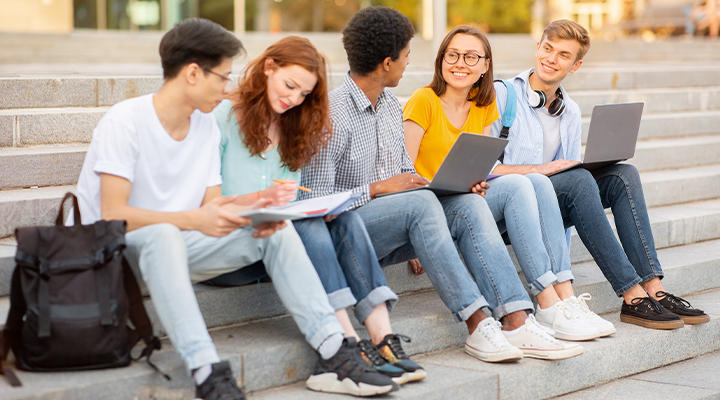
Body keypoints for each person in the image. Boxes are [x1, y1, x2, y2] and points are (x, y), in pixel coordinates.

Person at [73, 18, 396, 400]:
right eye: (222, 77)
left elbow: (214, 206)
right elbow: (112, 215)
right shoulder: (126, 120)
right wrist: (195, 219)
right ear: (193, 73)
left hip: (181, 246)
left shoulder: (204, 128)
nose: (229, 88)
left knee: (277, 232)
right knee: (162, 235)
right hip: (113, 252)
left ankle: (333, 352)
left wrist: (257, 211)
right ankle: (206, 369)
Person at [301, 6, 584, 363]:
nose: (408, 64)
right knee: (422, 205)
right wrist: (376, 190)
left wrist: (455, 186)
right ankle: (477, 321)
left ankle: (516, 319)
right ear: (387, 62)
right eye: (405, 56)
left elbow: (407, 175)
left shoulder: (389, 105)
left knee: (467, 203)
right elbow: (312, 202)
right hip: (348, 230)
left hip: (398, 219)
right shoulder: (329, 114)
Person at [214, 35, 426, 388]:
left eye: (303, 94)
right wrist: (261, 198)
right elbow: (206, 203)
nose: (293, 99)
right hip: (233, 244)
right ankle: (345, 346)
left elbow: (291, 196)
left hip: (278, 244)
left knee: (342, 216)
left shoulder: (290, 126)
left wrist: (311, 205)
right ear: (268, 68)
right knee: (310, 227)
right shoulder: (222, 118)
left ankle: (382, 339)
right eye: (289, 85)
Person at [491, 19, 709, 330]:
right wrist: (539, 170)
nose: (551, 59)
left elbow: (566, 182)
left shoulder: (570, 111)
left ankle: (654, 288)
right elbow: (483, 169)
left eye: (563, 55)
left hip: (548, 205)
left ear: (575, 66)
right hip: (512, 207)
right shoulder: (502, 95)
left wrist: (557, 251)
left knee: (624, 175)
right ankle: (631, 295)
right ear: (538, 47)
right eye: (548, 48)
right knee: (578, 179)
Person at [403, 25, 614, 341]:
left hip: (467, 197)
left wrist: (484, 180)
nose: (461, 63)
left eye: (471, 57)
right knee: (522, 182)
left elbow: (483, 168)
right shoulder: (423, 100)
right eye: (453, 55)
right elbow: (402, 171)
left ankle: (558, 300)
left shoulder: (484, 105)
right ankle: (546, 299)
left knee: (535, 182)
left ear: (485, 65)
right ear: (441, 60)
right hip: (430, 206)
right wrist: (416, 234)